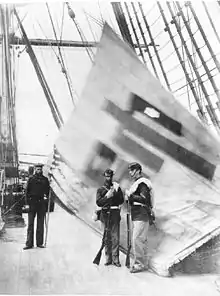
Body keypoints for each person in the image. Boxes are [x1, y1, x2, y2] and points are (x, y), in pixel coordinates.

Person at [126, 162, 154, 273]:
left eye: (132, 170)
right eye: (130, 170)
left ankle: (140, 264)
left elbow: (144, 199)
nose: (130, 172)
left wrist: (130, 196)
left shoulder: (142, 184)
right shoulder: (138, 183)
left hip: (141, 214)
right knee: (141, 239)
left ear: (138, 170)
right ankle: (143, 263)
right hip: (138, 214)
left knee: (136, 239)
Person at [96, 168, 124, 266]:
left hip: (115, 214)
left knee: (115, 237)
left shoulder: (117, 187)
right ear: (105, 176)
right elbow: (99, 203)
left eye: (110, 176)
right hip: (105, 215)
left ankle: (116, 260)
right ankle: (108, 258)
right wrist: (107, 196)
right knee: (106, 238)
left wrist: (115, 193)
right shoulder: (100, 189)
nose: (109, 178)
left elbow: (121, 200)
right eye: (107, 176)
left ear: (112, 176)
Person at [23, 163, 50, 250]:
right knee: (30, 224)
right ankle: (29, 244)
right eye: (37, 169)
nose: (39, 171)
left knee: (40, 224)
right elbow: (26, 192)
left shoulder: (45, 180)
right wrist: (27, 204)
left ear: (42, 170)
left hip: (41, 203)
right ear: (35, 170)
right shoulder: (31, 179)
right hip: (32, 203)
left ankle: (39, 243)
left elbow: (48, 192)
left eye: (40, 169)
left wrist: (50, 193)